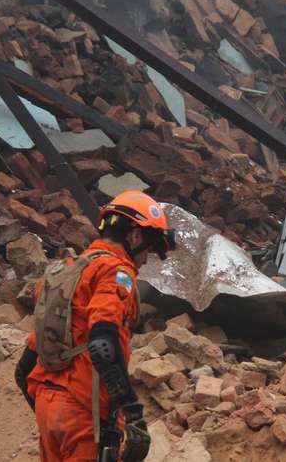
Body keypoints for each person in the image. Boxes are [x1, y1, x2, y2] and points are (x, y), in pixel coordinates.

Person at [15, 191, 176, 462]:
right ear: (135, 236)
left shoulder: (68, 270)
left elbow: (25, 368)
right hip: (83, 412)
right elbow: (102, 344)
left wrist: (52, 412)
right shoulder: (114, 272)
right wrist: (132, 411)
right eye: (149, 248)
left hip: (47, 404)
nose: (147, 259)